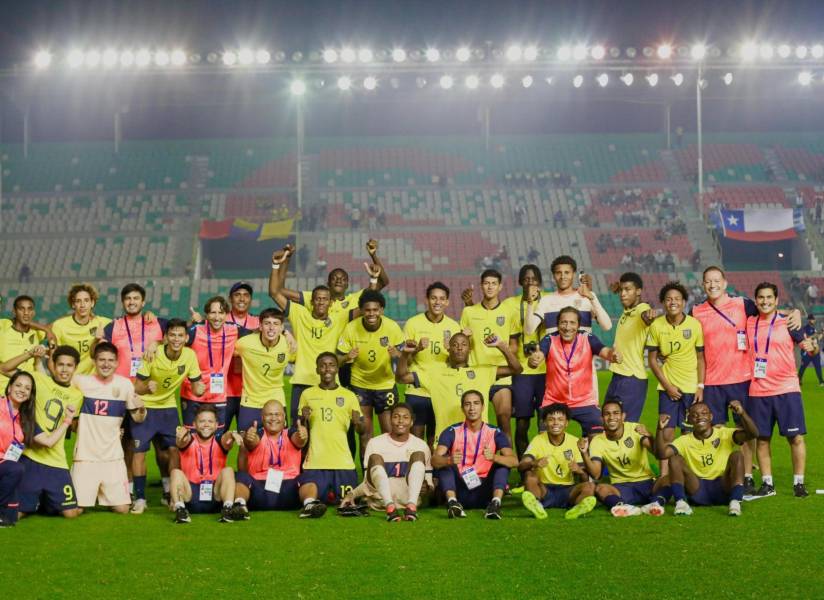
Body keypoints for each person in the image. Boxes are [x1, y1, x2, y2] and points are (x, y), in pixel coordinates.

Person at [692, 266, 801, 493]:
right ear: (703, 285)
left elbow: (769, 310)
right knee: (718, 431)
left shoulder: (742, 304)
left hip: (742, 379)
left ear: (724, 283)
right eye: (707, 281)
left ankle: (748, 476)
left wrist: (795, 312)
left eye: (716, 281)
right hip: (712, 381)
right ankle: (721, 474)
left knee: (746, 429)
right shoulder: (696, 311)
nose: (712, 285)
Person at [268, 246, 356, 422]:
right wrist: (276, 265)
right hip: (302, 381)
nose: (321, 302)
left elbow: (370, 307)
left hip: (329, 382)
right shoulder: (299, 314)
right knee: (298, 430)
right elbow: (274, 292)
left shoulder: (339, 318)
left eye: (325, 299)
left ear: (331, 303)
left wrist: (374, 278)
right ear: (312, 301)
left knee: (326, 427)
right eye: (317, 299)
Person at [745, 283, 816, 498]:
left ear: (776, 300)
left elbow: (809, 348)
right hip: (758, 390)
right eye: (761, 298)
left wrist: (812, 347)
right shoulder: (749, 323)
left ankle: (798, 483)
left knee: (795, 438)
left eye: (769, 297)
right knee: (762, 439)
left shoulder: (789, 323)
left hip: (787, 389)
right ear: (755, 300)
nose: (765, 301)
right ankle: (768, 484)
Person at [100, 283, 167, 499]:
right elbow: (100, 349)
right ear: (123, 302)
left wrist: (157, 341)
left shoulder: (155, 322)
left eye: (136, 298)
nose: (132, 302)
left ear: (143, 302)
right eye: (128, 299)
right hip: (121, 392)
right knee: (125, 442)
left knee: (159, 443)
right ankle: (125, 489)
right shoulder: (114, 326)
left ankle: (167, 488)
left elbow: (179, 334)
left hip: (151, 390)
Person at [1, 345, 83, 518]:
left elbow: (75, 426)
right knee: (17, 514)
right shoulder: (38, 380)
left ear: (75, 367)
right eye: (60, 364)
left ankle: (45, 500)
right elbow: (5, 368)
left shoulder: (77, 396)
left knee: (71, 514)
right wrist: (30, 354)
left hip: (57, 461)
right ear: (52, 364)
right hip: (31, 458)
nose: (64, 369)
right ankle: (37, 499)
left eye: (69, 365)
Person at [131, 318, 204, 513]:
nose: (176, 339)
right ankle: (140, 498)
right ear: (165, 337)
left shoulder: (189, 355)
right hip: (145, 407)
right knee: (139, 451)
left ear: (187, 338)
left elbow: (197, 383)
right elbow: (136, 386)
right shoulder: (152, 355)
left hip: (168, 408)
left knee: (173, 450)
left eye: (180, 335)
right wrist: (146, 388)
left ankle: (172, 494)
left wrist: (199, 388)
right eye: (172, 335)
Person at [396, 332, 522, 441]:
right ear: (449, 349)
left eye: (463, 344)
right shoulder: (435, 375)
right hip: (447, 441)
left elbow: (516, 369)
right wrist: (405, 354)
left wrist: (502, 346)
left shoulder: (483, 372)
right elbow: (402, 378)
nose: (459, 348)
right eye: (455, 345)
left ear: (469, 349)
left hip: (478, 441)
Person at [524, 256, 612, 407]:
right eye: (559, 273)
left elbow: (607, 326)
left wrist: (591, 297)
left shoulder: (586, 298)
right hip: (557, 372)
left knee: (590, 423)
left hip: (585, 372)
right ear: (553, 276)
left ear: (574, 274)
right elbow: (529, 329)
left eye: (567, 272)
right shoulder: (546, 300)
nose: (563, 276)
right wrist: (530, 303)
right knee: (555, 421)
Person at [71, 342, 146, 513]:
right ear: (94, 361)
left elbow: (137, 417)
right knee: (77, 509)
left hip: (113, 456)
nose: (106, 364)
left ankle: (98, 491)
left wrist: (141, 408)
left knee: (122, 509)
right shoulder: (80, 382)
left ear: (117, 362)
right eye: (101, 360)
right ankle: (91, 490)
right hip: (85, 456)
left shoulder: (125, 384)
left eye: (110, 360)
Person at [527, 306, 621, 437]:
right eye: (563, 322)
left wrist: (613, 355)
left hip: (585, 401)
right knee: (545, 442)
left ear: (578, 325)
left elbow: (605, 351)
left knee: (598, 439)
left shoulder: (587, 338)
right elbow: (539, 355)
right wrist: (533, 361)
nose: (567, 327)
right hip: (554, 401)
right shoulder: (549, 339)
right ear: (557, 324)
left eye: (572, 323)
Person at [656, 401, 758, 516]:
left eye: (704, 413)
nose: (700, 417)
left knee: (737, 455)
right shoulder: (684, 440)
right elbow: (661, 454)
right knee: (674, 459)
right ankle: (681, 503)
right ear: (689, 420)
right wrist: (660, 430)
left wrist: (742, 413)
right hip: (696, 489)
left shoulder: (724, 434)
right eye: (694, 415)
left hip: (723, 487)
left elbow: (753, 434)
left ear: (711, 416)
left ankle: (735, 501)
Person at [646, 282, 705, 475]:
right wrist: (668, 386)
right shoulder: (656, 325)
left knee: (689, 434)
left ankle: (687, 474)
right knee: (667, 432)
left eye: (677, 299)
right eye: (669, 299)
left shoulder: (694, 325)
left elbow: (700, 358)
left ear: (684, 302)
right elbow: (653, 360)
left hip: (690, 389)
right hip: (668, 389)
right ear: (663, 302)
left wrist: (700, 386)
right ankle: (664, 477)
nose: (673, 302)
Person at [297, 353, 366, 517]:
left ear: (337, 368)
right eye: (323, 365)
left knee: (346, 504)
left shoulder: (349, 396)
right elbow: (300, 431)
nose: (327, 368)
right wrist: (303, 419)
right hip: (315, 463)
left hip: (343, 464)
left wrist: (358, 423)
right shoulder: (307, 394)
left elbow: (362, 431)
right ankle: (310, 507)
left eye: (331, 365)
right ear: (317, 369)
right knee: (310, 499)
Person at [431, 390, 517, 520]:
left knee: (503, 464)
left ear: (483, 407)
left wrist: (494, 457)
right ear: (462, 408)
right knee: (444, 464)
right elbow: (434, 460)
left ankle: (495, 504)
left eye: (476, 403)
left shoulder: (495, 432)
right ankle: (453, 503)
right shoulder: (451, 431)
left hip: (485, 489)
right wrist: (449, 460)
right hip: (460, 488)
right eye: (467, 404)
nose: (472, 408)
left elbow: (514, 461)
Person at [339, 403, 432, 522]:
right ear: (390, 420)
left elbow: (429, 483)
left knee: (418, 455)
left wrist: (427, 487)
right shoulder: (375, 443)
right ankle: (390, 508)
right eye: (396, 416)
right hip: (380, 500)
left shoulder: (421, 445)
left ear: (412, 422)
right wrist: (352, 494)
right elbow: (368, 483)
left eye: (405, 417)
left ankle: (411, 507)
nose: (400, 421)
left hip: (407, 496)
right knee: (375, 458)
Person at [337, 290, 404, 451]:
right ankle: (367, 475)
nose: (371, 314)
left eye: (375, 310)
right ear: (361, 310)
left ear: (381, 310)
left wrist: (398, 355)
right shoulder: (351, 328)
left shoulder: (392, 327)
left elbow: (404, 359)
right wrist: (347, 357)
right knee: (365, 434)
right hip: (360, 385)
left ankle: (390, 473)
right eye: (367, 310)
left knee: (389, 433)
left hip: (385, 385)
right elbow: (337, 360)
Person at [459, 269, 519, 442]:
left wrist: (502, 347)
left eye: (494, 283)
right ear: (481, 286)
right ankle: (475, 458)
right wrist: (466, 337)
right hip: (476, 374)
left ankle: (506, 457)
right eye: (486, 283)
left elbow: (514, 345)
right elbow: (463, 345)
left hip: (501, 374)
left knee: (504, 417)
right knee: (474, 421)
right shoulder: (469, 312)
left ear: (500, 287)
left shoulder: (509, 312)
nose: (490, 287)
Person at [584, 399, 670, 517]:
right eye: (607, 414)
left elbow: (657, 453)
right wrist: (584, 453)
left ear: (623, 416)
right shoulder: (597, 441)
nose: (611, 417)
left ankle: (655, 504)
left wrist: (651, 436)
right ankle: (623, 506)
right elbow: (596, 474)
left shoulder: (635, 429)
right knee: (600, 488)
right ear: (602, 418)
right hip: (621, 487)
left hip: (647, 483)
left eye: (616, 413)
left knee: (670, 478)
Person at [181, 296, 252, 435]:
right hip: (193, 393)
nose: (217, 317)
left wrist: (286, 333)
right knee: (190, 439)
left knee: (215, 440)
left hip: (217, 395)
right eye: (213, 313)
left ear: (226, 314)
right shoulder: (195, 330)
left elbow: (257, 333)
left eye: (221, 312)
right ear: (206, 315)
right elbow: (174, 339)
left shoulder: (233, 330)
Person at [401, 281, 461, 447]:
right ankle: (417, 472)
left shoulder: (453, 326)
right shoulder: (413, 324)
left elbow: (458, 364)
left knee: (436, 438)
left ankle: (433, 473)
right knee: (416, 438)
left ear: (447, 302)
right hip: (417, 388)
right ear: (426, 300)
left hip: (441, 390)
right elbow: (405, 362)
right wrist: (417, 349)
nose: (437, 302)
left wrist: (451, 351)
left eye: (442, 299)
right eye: (433, 298)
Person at [501, 265, 548, 474]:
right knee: (521, 424)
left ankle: (545, 471)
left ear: (539, 282)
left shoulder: (549, 301)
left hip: (547, 371)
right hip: (522, 374)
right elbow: (493, 318)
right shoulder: (510, 304)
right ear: (520, 282)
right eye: (526, 279)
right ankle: (525, 471)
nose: (530, 282)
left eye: (534, 279)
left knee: (545, 424)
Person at [518, 403, 597, 520]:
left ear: (566, 423)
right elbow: (521, 466)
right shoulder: (538, 440)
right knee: (530, 476)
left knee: (589, 486)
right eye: (551, 419)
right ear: (544, 423)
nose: (555, 423)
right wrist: (533, 463)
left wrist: (579, 471)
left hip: (568, 491)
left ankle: (577, 509)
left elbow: (585, 478)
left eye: (560, 419)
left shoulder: (574, 442)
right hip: (544, 490)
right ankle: (537, 505)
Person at [233, 400, 308, 518]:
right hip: (259, 489)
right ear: (262, 418)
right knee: (241, 476)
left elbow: (299, 441)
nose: (273, 418)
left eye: (277, 414)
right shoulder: (258, 433)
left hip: (288, 489)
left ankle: (310, 504)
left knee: (309, 476)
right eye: (269, 414)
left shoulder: (291, 433)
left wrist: (302, 437)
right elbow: (252, 442)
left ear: (284, 418)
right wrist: (249, 439)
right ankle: (239, 506)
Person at [169, 405, 243, 523]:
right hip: (190, 495)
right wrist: (181, 436)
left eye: (210, 421)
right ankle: (180, 511)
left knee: (228, 470)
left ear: (216, 425)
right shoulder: (189, 439)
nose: (206, 424)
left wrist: (233, 434)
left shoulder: (220, 441)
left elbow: (227, 438)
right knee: (175, 472)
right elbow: (182, 441)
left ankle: (227, 509)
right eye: (202, 421)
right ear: (194, 424)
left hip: (215, 495)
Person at [232, 308, 296, 431]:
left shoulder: (289, 345)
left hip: (276, 399)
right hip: (250, 401)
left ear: (282, 327)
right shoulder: (245, 343)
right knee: (245, 444)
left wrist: (288, 335)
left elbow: (299, 358)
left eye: (276, 324)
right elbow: (227, 348)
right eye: (267, 323)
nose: (271, 328)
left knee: (279, 445)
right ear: (260, 326)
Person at [605, 273, 656, 422]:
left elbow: (646, 316)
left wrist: (649, 316)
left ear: (639, 291)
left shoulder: (642, 308)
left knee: (626, 426)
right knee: (608, 424)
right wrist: (617, 288)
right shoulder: (627, 312)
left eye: (627, 289)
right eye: (621, 290)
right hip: (618, 376)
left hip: (632, 379)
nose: (623, 293)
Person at [0, 371, 37, 527]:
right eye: (18, 385)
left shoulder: (25, 417)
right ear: (9, 388)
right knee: (17, 469)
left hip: (5, 464)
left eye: (27, 388)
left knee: (11, 519)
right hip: (7, 465)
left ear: (30, 394)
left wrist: (67, 420)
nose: (22, 390)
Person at [50, 283, 113, 375]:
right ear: (73, 304)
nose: (82, 305)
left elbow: (127, 325)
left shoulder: (102, 323)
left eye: (86, 300)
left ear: (92, 303)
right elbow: (52, 359)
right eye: (78, 301)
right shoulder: (60, 326)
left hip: (92, 381)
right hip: (69, 380)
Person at [224, 281, 260, 432]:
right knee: (216, 440)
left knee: (248, 441)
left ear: (250, 300)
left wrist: (287, 332)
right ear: (230, 299)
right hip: (223, 392)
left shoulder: (259, 322)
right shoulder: (220, 319)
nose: (241, 299)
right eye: (237, 295)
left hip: (249, 393)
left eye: (246, 295)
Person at [0, 295, 47, 390]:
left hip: (26, 391)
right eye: (22, 309)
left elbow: (53, 331)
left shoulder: (38, 333)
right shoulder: (3, 325)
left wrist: (48, 331)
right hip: (2, 388)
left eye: (30, 309)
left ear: (33, 312)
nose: (26, 313)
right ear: (14, 311)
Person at [797, 315, 823, 385]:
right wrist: (816, 334)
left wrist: (822, 333)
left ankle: (821, 381)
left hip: (815, 351)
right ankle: (798, 380)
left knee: (818, 367)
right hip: (807, 351)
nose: (813, 320)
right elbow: (807, 338)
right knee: (803, 367)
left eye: (813, 319)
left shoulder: (815, 328)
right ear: (809, 320)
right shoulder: (805, 328)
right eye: (812, 319)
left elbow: (817, 339)